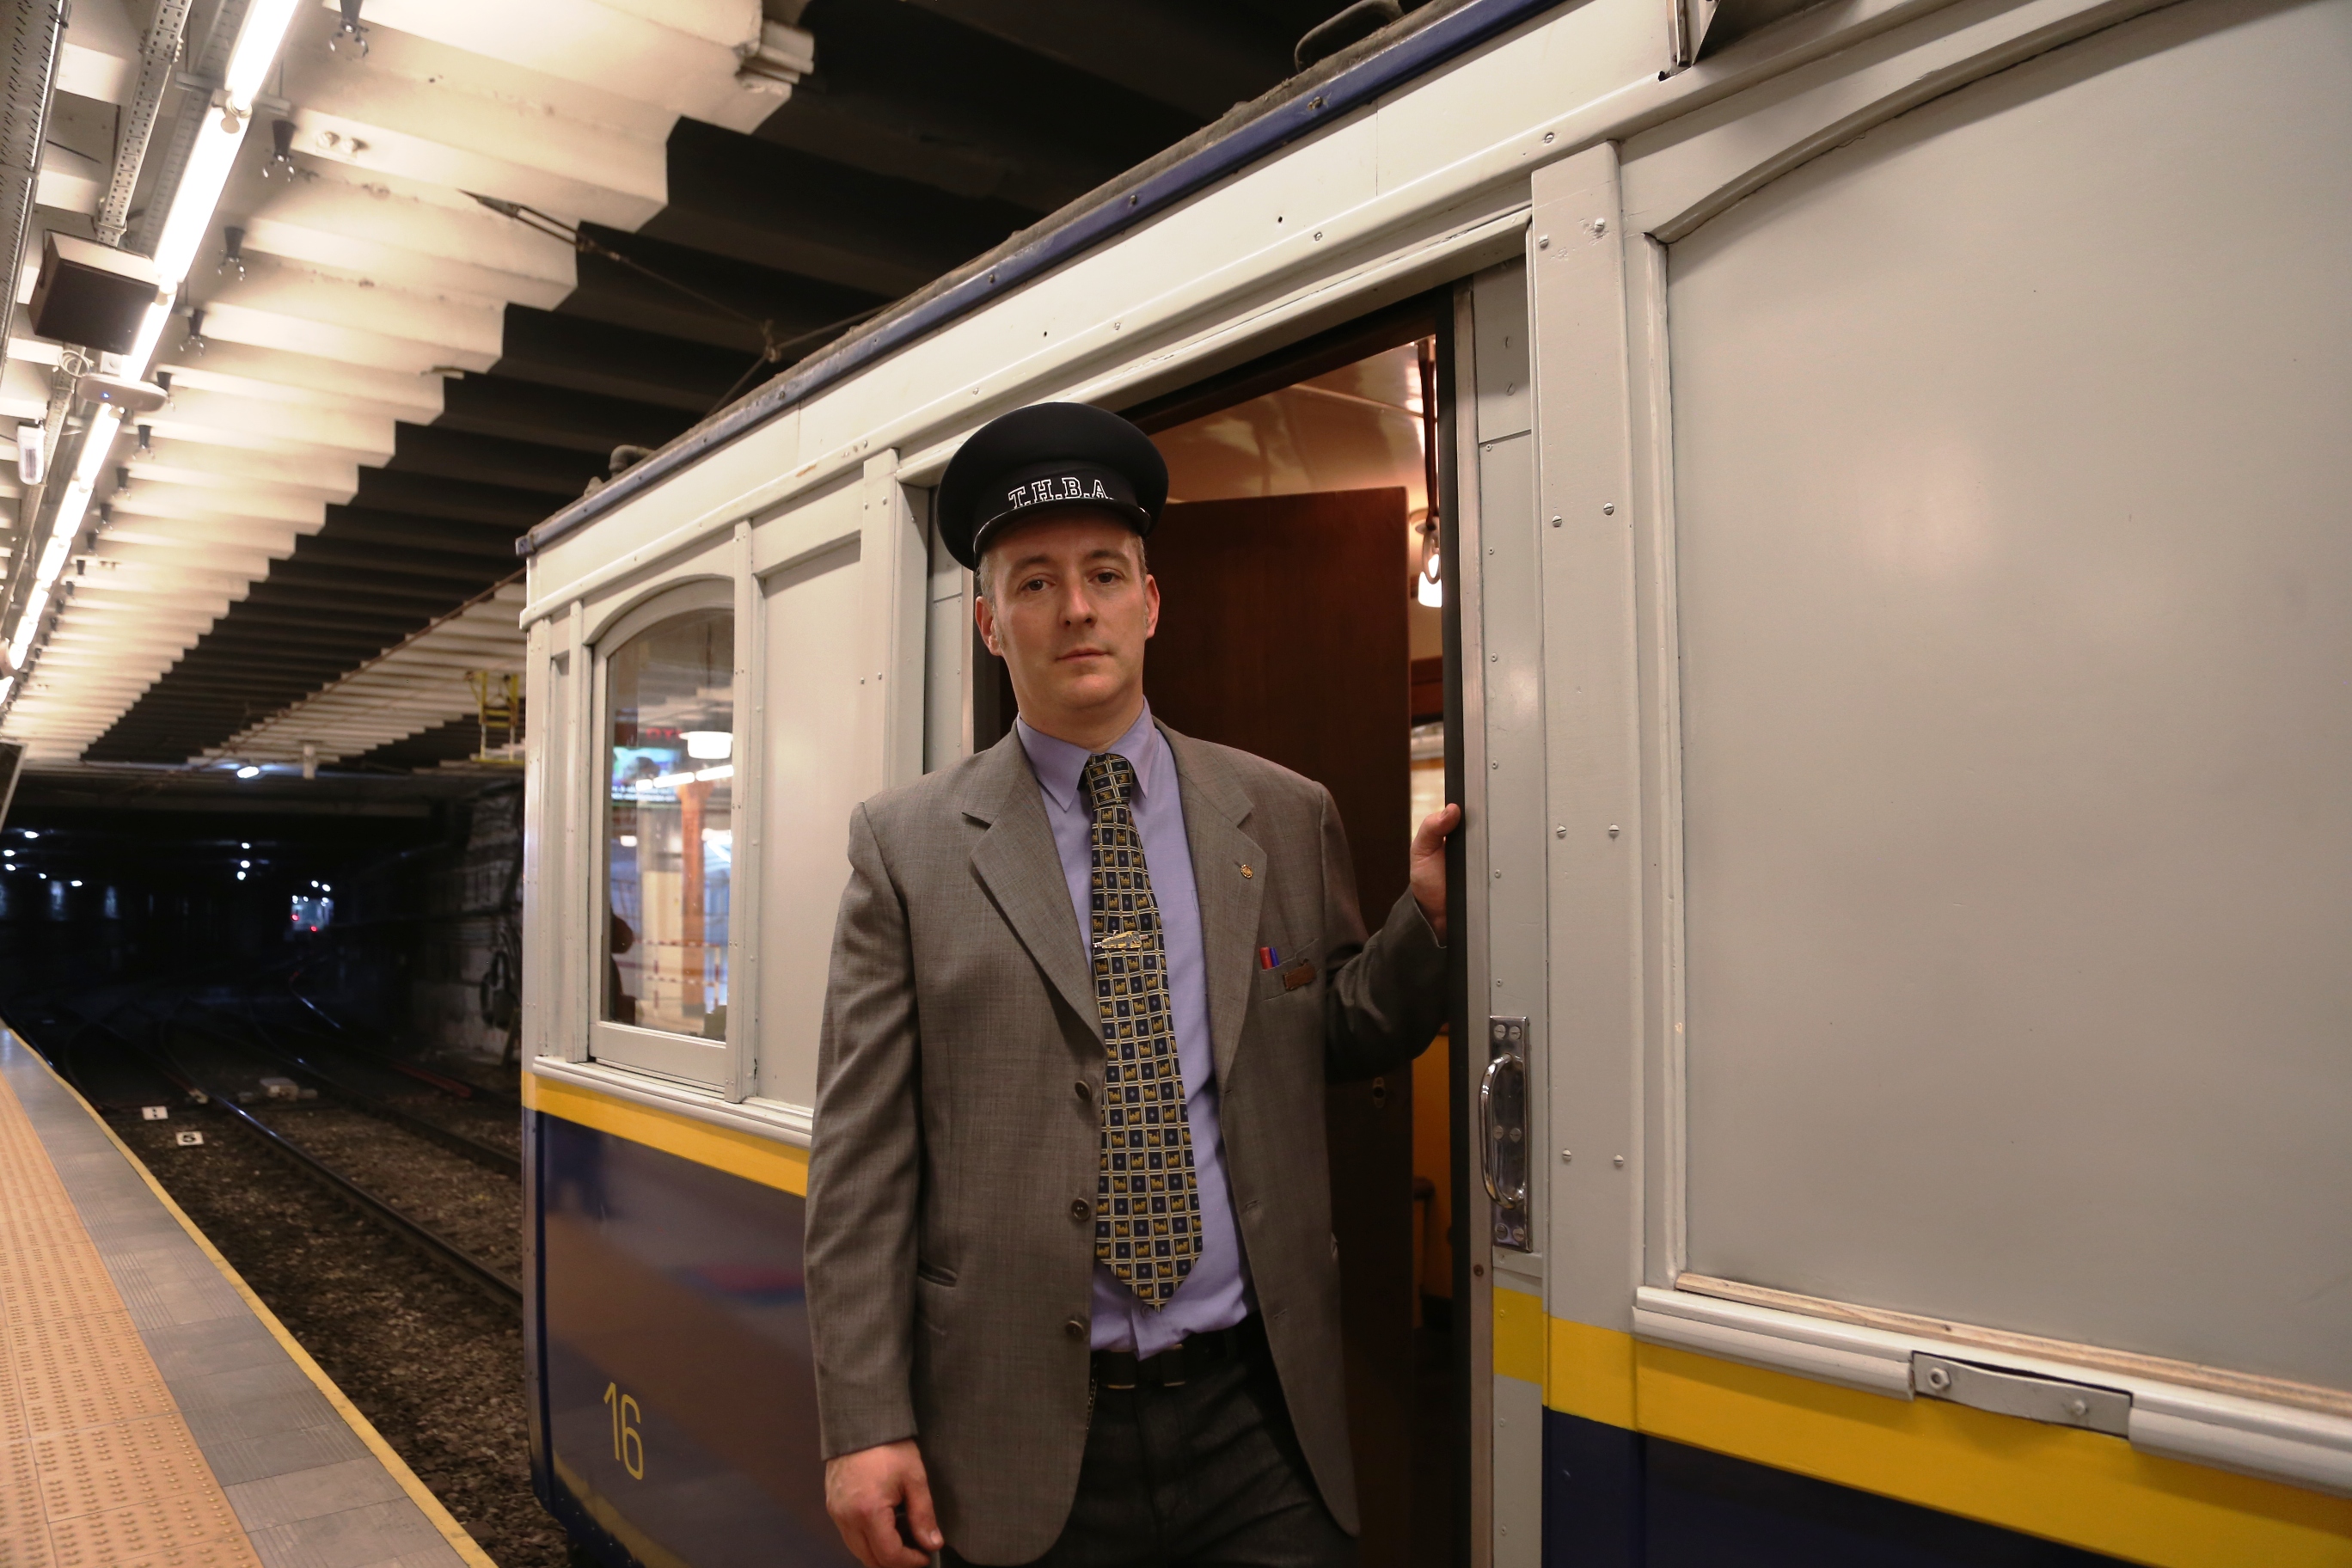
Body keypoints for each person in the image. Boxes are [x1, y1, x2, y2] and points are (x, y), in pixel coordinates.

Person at [806, 402, 1460, 1568]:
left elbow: (1337, 1028)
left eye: (1105, 574)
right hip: (1018, 1437)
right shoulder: (908, 850)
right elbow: (861, 1164)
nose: (1077, 608)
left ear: (1149, 603)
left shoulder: (1280, 814)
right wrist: (865, 1423)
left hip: (1257, 1420)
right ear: (990, 623)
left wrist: (1431, 923)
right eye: (1036, 583)